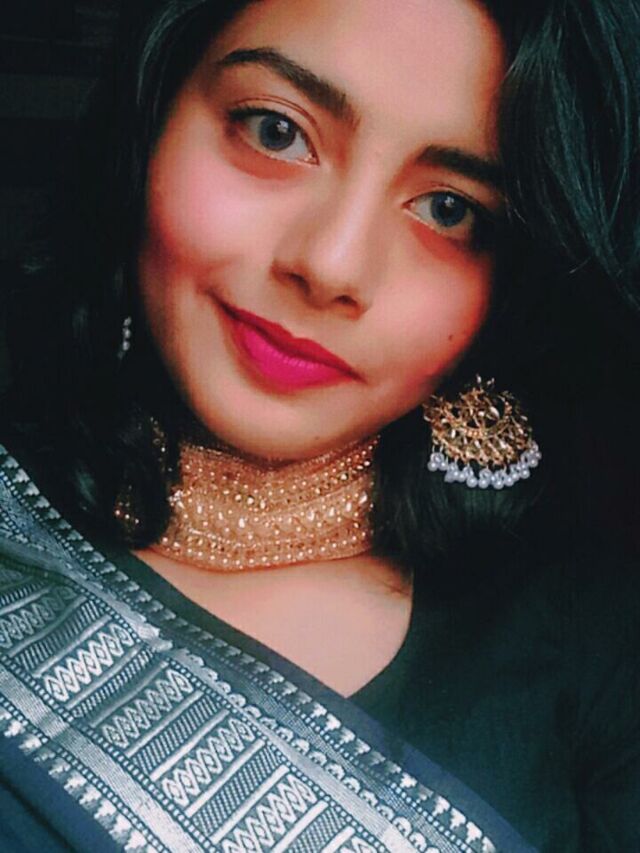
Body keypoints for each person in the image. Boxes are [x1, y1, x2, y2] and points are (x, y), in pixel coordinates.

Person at [0, 0, 638, 850]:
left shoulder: (598, 650)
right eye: (275, 131)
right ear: (149, 118)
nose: (332, 263)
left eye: (449, 209)